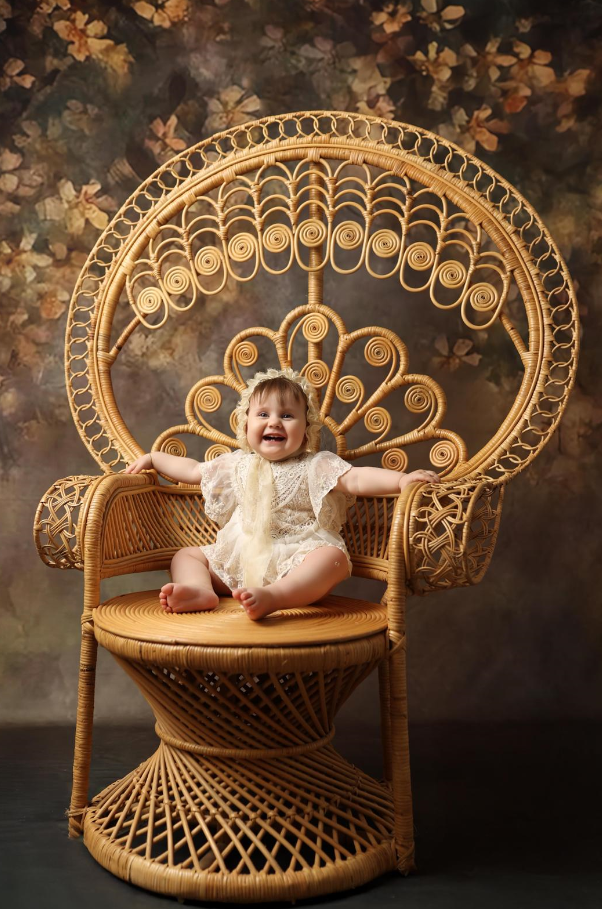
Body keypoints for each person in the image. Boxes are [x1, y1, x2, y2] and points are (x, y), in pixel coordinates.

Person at [125, 368, 440, 620]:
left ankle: (275, 597)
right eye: (263, 414)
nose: (274, 421)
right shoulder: (237, 463)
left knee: (331, 558)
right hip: (238, 563)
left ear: (306, 430)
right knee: (186, 555)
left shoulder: (315, 465)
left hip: (294, 559)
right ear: (246, 425)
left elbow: (356, 479)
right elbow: (193, 470)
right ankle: (199, 590)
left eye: (287, 416)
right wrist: (154, 458)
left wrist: (402, 480)